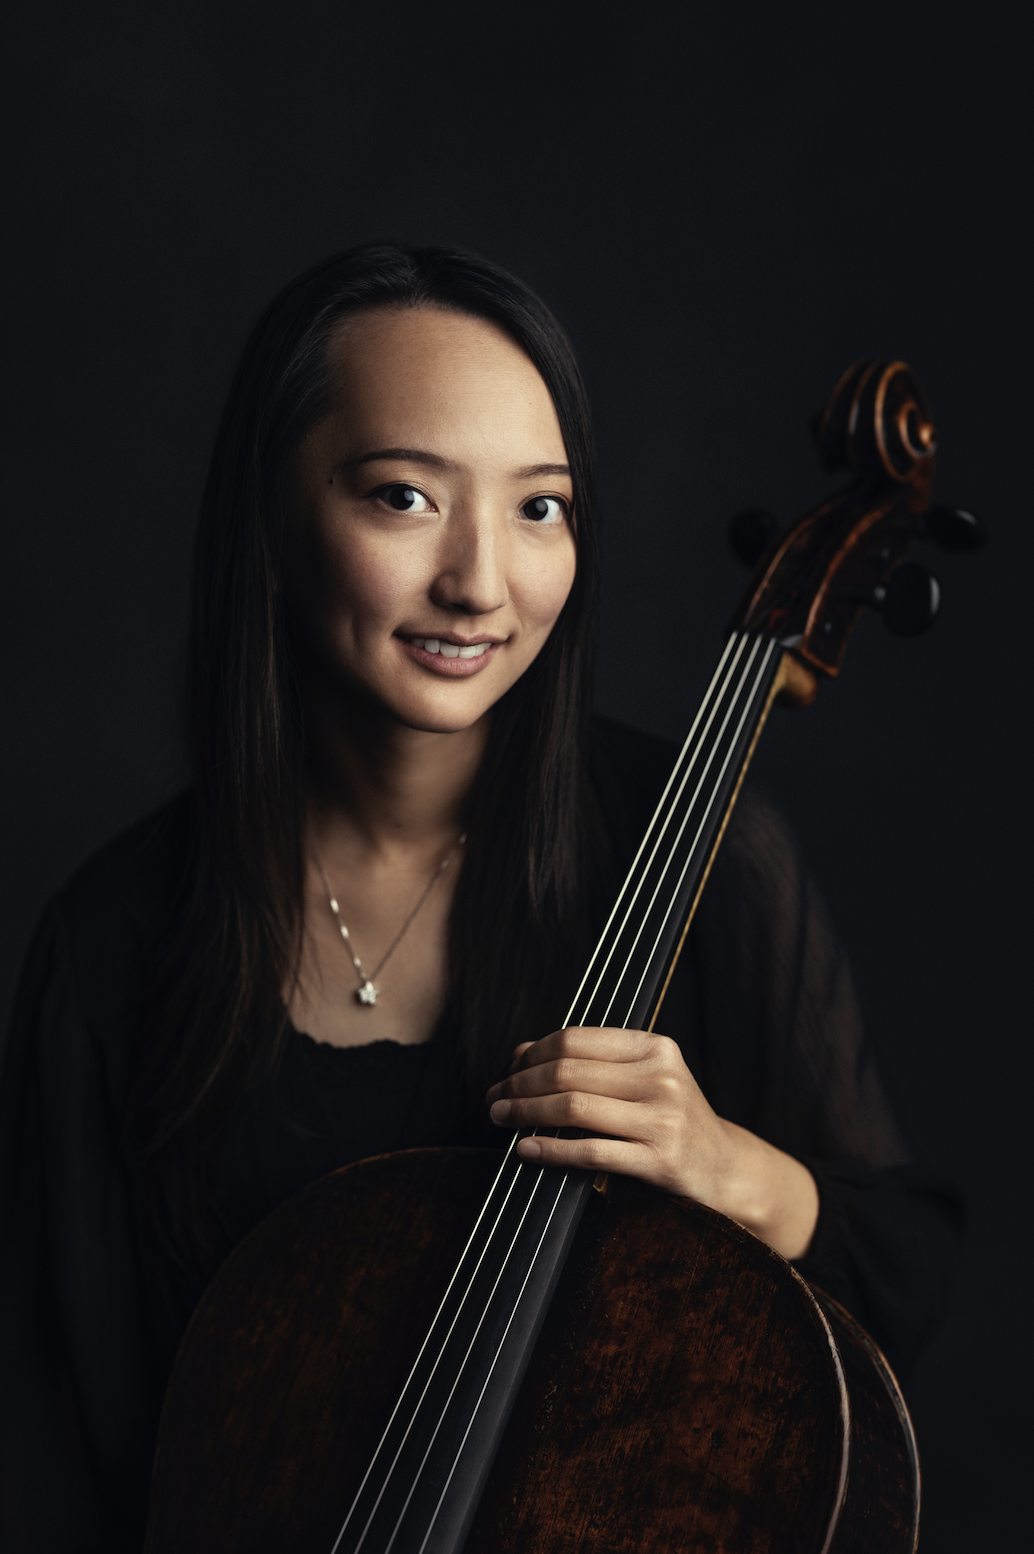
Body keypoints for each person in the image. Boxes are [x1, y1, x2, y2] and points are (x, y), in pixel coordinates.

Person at [0, 244, 963, 1553]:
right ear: (274, 517)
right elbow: (66, 1460)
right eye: (403, 496)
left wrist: (729, 1169)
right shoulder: (110, 948)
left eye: (539, 507)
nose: (479, 582)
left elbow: (902, 1273)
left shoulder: (703, 853)